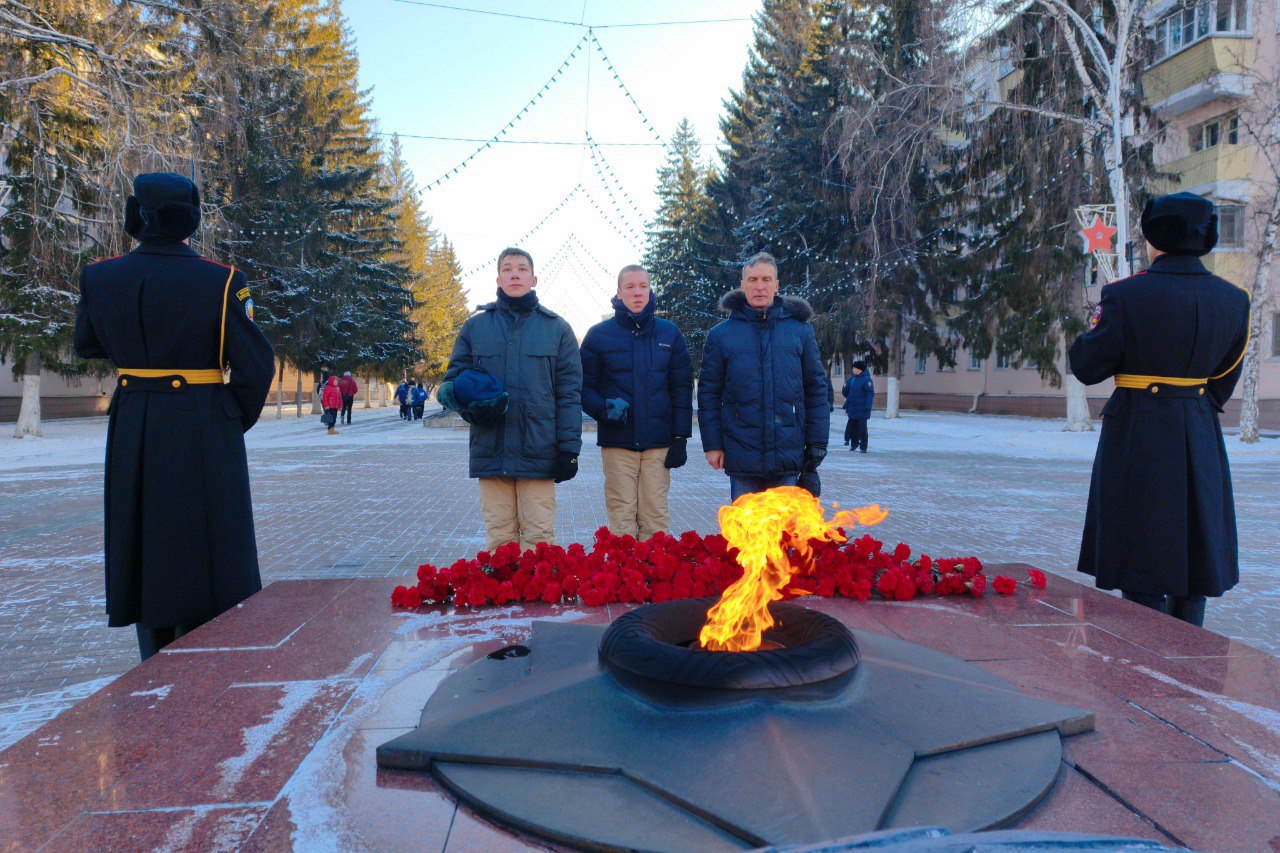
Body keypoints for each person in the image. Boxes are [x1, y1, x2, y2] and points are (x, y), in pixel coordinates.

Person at [72, 172, 275, 660]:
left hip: (133, 420)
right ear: (191, 216)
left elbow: (87, 343)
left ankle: (153, 654)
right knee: (210, 543)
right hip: (203, 420)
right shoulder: (221, 279)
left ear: (134, 215)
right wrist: (228, 420)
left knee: (143, 535)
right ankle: (207, 659)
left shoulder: (99, 276)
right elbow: (255, 365)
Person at [1069, 192, 1250, 627]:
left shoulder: (1125, 294)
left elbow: (1087, 367)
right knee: (1193, 553)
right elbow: (1225, 377)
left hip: (1139, 430)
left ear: (1155, 236)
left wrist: (1097, 319)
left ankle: (1145, 660)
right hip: (1199, 427)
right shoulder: (1235, 298)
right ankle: (1190, 652)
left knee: (1141, 552)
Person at [438, 247, 583, 552]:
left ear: (534, 279)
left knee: (539, 539)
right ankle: (503, 599)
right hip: (492, 450)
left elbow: (570, 395)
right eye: (507, 269)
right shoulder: (475, 327)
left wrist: (569, 448)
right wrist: (473, 411)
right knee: (499, 539)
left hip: (539, 451)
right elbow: (451, 385)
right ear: (498, 278)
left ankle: (537, 600)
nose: (514, 273)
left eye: (521, 269)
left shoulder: (557, 329)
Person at [698, 252, 829, 501]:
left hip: (788, 454)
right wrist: (713, 444)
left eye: (767, 280)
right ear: (743, 285)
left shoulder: (800, 331)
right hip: (742, 454)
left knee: (784, 535)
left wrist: (817, 443)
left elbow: (816, 388)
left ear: (776, 285)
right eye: (753, 279)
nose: (760, 286)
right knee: (745, 534)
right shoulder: (721, 335)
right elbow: (709, 393)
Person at [580, 264, 693, 540]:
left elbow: (681, 389)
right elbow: (583, 387)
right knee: (621, 518)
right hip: (618, 442)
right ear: (619, 293)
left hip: (658, 443)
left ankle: (654, 578)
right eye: (630, 287)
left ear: (650, 290)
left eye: (643, 286)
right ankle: (624, 579)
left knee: (655, 517)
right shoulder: (599, 335)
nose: (637, 292)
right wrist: (602, 409)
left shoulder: (669, 334)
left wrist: (680, 437)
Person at [842, 361, 874, 453]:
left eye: (854, 368)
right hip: (853, 408)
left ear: (859, 369)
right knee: (853, 428)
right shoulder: (853, 379)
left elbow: (869, 394)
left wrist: (867, 406)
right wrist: (846, 404)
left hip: (862, 409)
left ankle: (863, 447)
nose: (853, 369)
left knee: (862, 429)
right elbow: (850, 394)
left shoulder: (867, 380)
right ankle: (854, 445)